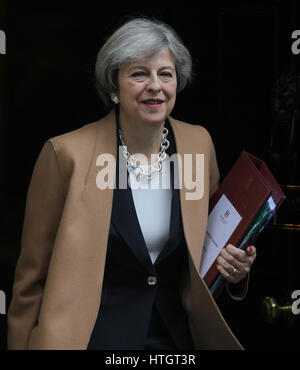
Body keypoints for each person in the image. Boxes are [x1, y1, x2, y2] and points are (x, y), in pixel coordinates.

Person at [7, 17, 256, 350]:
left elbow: (207, 251)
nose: (155, 85)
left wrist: (234, 269)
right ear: (113, 87)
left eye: (165, 74)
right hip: (91, 340)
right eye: (139, 73)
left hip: (174, 342)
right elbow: (30, 280)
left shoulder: (198, 144)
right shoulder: (65, 154)